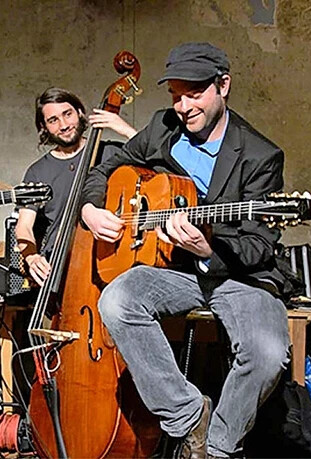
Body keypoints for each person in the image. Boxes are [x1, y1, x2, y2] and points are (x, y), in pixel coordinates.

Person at [80, 42, 290, 458]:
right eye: (176, 94)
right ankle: (188, 417)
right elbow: (106, 167)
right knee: (118, 300)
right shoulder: (162, 128)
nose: (183, 105)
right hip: (174, 268)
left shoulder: (260, 156)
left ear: (223, 85)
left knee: (267, 354)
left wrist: (208, 247)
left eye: (194, 93)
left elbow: (259, 245)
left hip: (238, 275)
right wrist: (90, 208)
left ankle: (216, 447)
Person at [15, 87, 137, 286]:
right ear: (44, 127)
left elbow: (158, 160)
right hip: (60, 266)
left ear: (80, 113)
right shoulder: (37, 172)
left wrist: (124, 129)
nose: (63, 125)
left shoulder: (110, 152)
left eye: (67, 114)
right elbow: (24, 226)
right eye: (53, 120)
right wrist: (32, 257)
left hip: (110, 260)